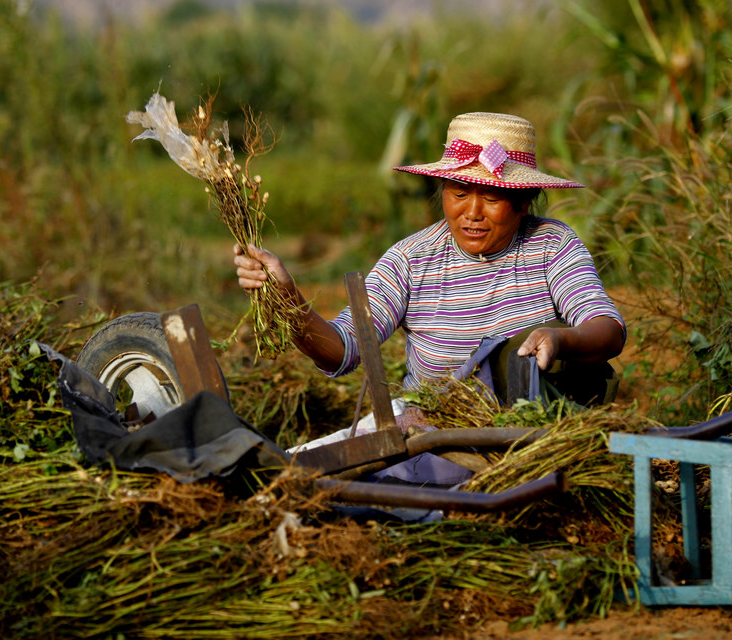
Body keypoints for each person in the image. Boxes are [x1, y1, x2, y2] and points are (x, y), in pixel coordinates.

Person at [234, 112, 625, 481]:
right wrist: (286, 299)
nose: (472, 212)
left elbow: (607, 330)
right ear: (442, 192)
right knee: (290, 476)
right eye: (459, 193)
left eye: (491, 197)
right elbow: (343, 350)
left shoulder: (551, 245)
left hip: (530, 436)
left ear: (523, 201)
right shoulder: (411, 259)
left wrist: (560, 338)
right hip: (428, 432)